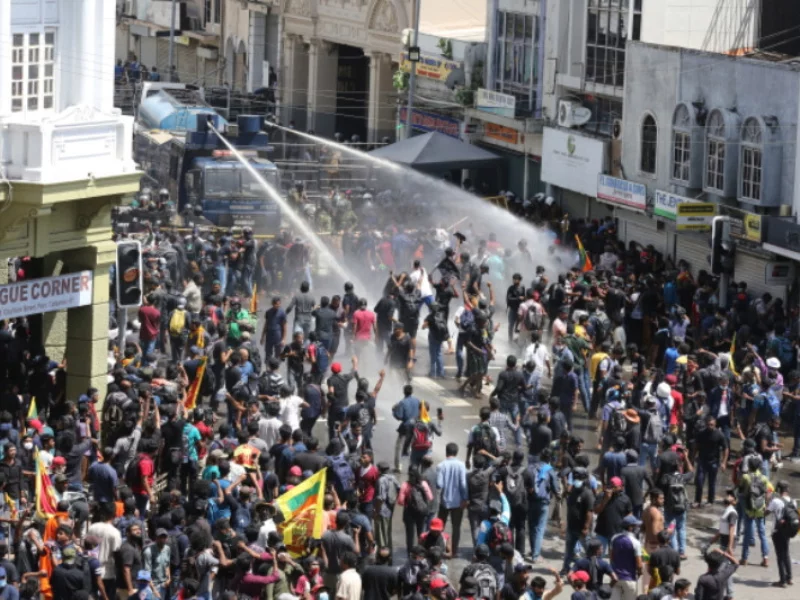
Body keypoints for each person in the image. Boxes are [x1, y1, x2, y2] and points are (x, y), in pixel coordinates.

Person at [739, 455, 773, 567]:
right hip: (760, 508)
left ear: (749, 465)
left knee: (747, 534)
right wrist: (766, 503)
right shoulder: (764, 478)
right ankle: (766, 559)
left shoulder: (745, 477)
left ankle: (744, 559)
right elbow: (770, 490)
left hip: (749, 508)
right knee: (762, 534)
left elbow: (741, 490)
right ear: (759, 466)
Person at [767, 479, 796, 587]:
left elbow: (765, 513)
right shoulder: (793, 501)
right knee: (786, 553)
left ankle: (782, 581)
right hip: (788, 530)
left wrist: (768, 500)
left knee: (780, 556)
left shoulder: (775, 501)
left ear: (778, 489)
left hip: (777, 531)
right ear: (787, 489)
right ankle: (789, 578)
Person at [608, 515, 643, 600]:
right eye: (635, 526)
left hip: (615, 578)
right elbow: (639, 564)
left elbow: (611, 557)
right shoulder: (636, 543)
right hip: (629, 579)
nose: (637, 528)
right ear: (630, 527)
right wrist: (640, 572)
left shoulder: (614, 538)